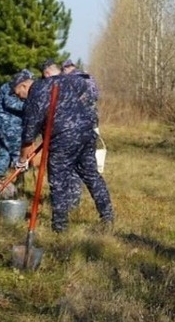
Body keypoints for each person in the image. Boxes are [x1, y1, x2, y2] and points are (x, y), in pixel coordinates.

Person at [20, 60, 113, 232]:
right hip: (86, 130)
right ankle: (107, 216)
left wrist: (23, 154)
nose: (19, 97)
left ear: (24, 85)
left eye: (18, 93)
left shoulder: (37, 90)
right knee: (91, 175)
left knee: (59, 180)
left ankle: (60, 227)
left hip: (64, 137)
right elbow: (83, 86)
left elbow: (30, 127)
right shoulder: (67, 80)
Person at [0, 70, 33, 178]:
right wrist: (32, 106)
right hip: (7, 124)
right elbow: (11, 104)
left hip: (5, 123)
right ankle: (16, 177)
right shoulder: (10, 87)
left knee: (5, 150)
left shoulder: (13, 86)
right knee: (16, 151)